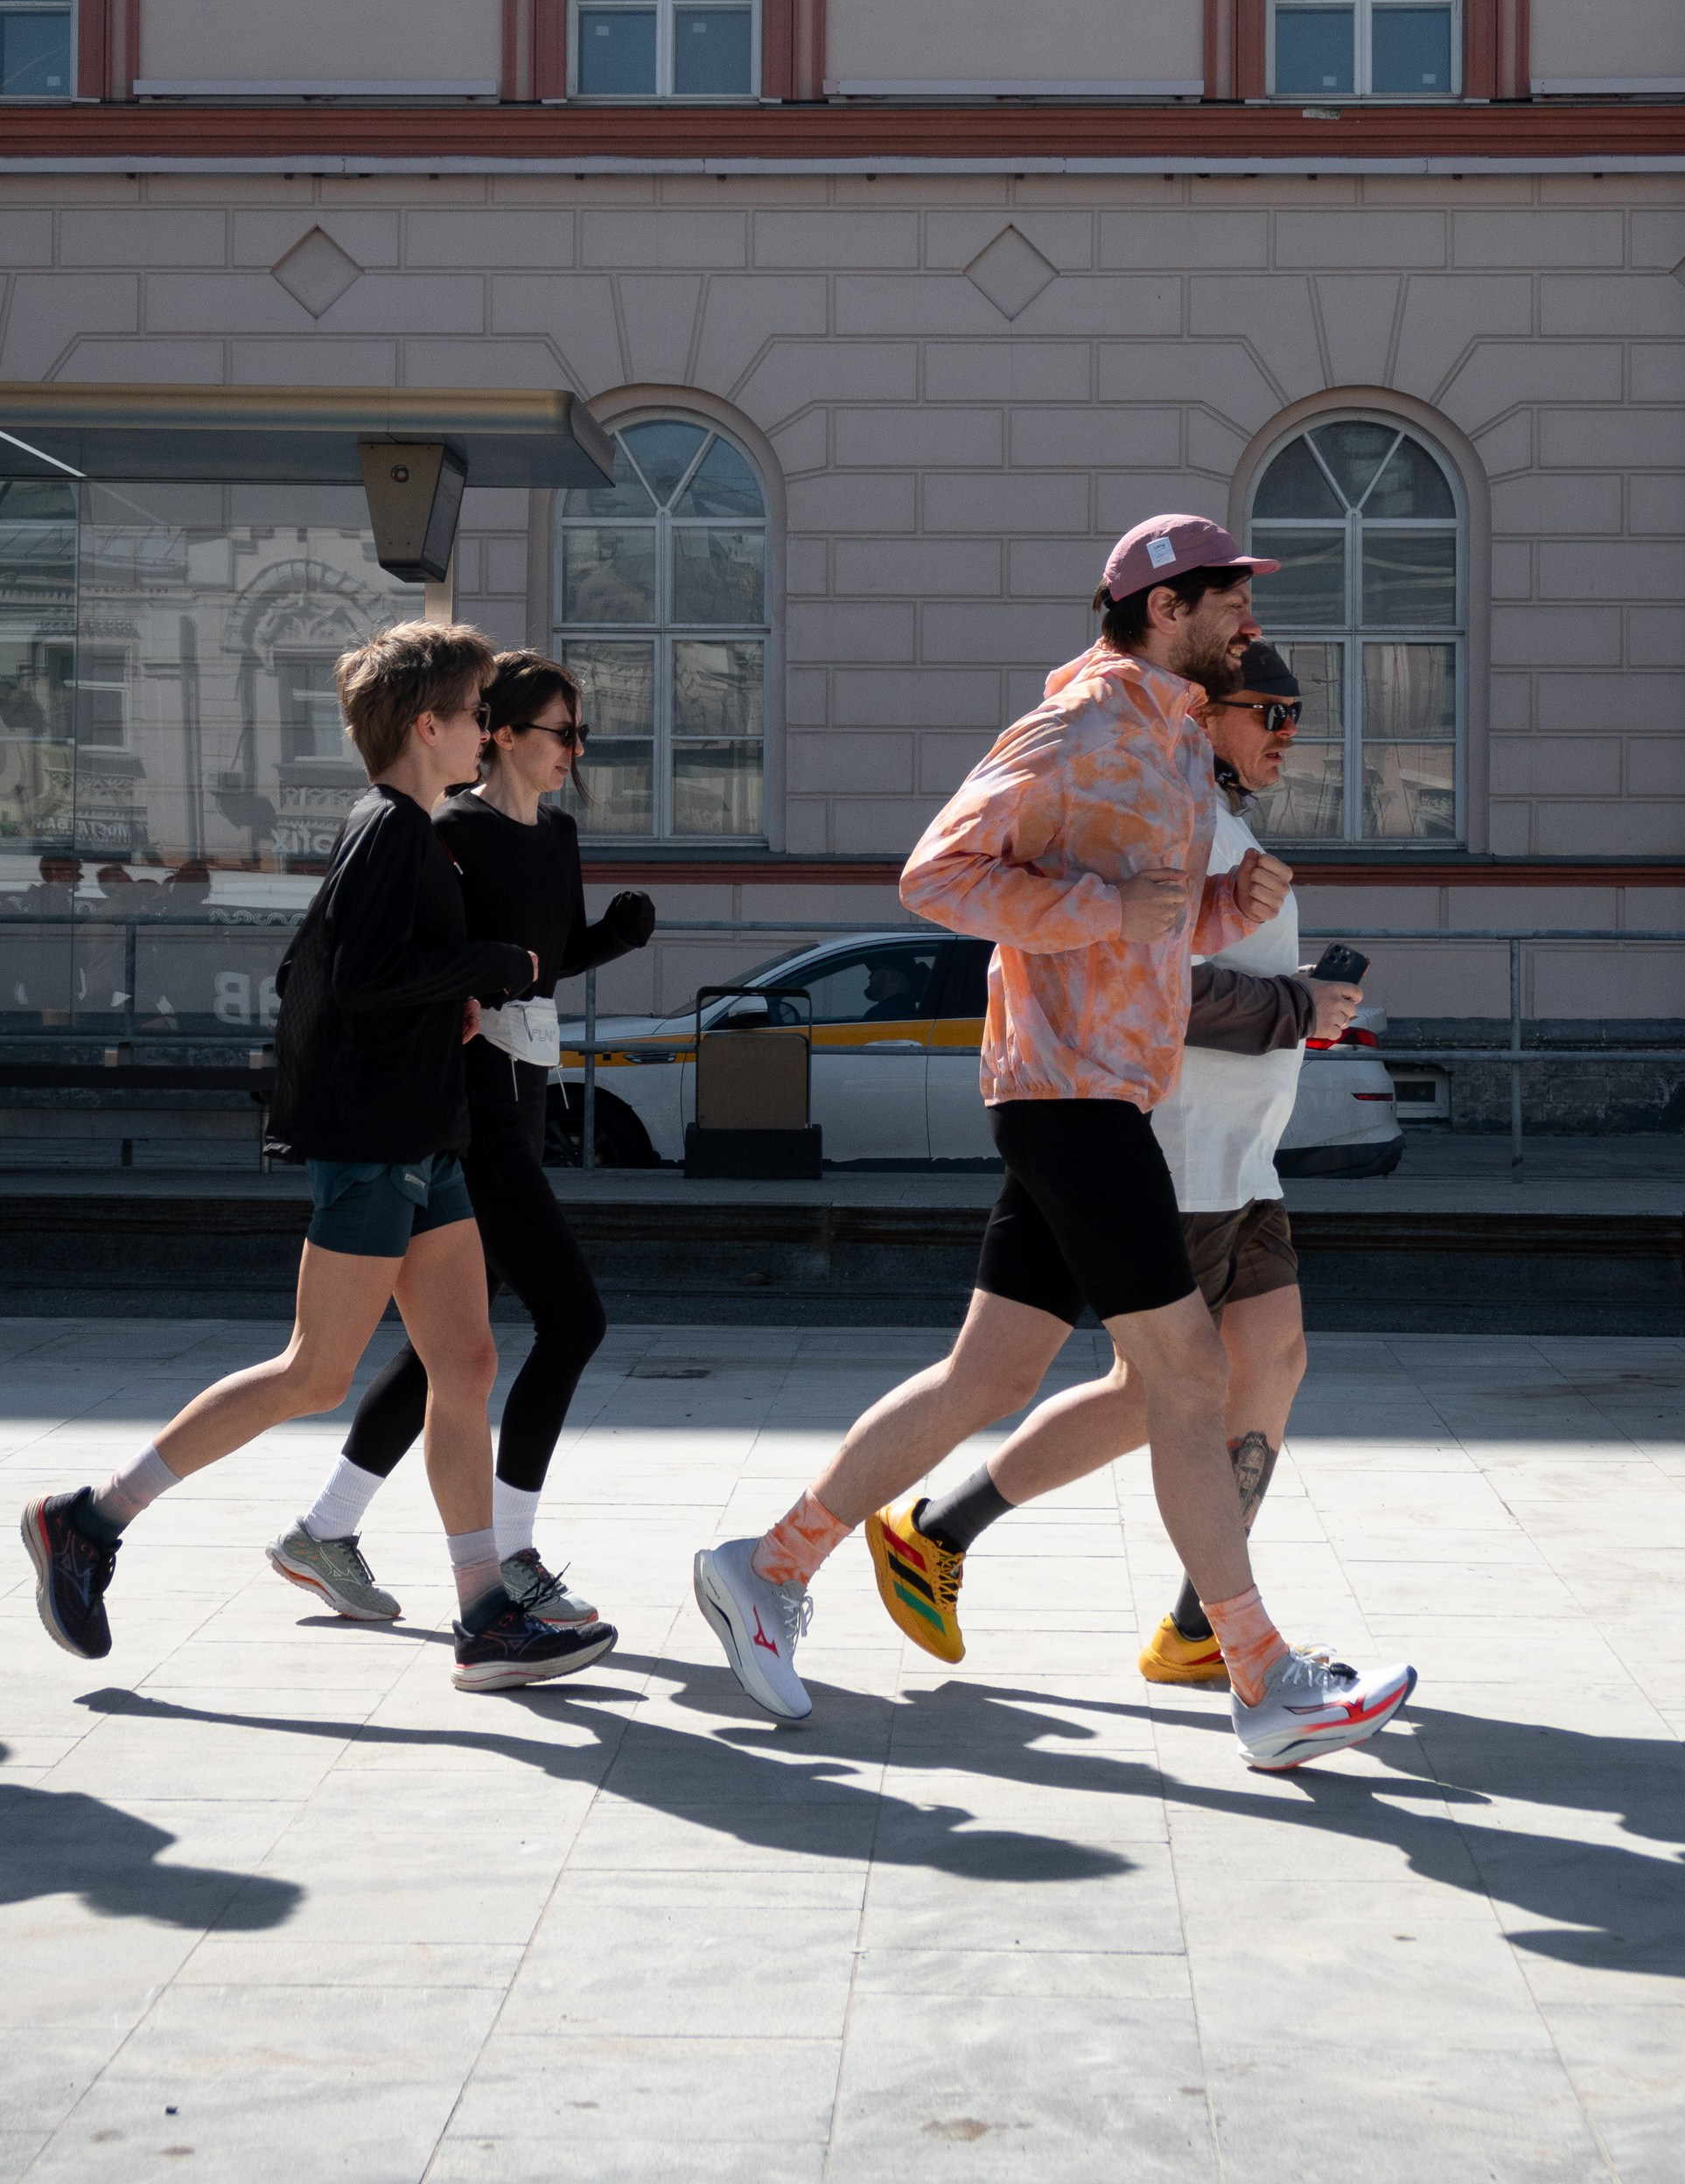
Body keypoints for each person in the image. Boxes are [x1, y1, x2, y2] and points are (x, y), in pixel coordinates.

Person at [692, 516, 1416, 1770]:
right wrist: (1109, 905)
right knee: (1186, 1377)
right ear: (1164, 606)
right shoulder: (1077, 725)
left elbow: (1146, 929)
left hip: (1099, 1092)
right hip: (1064, 1091)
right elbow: (935, 876)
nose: (1248, 620)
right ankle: (1260, 1676)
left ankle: (770, 1564)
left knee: (987, 1380)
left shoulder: (1173, 739)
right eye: (1231, 599)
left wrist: (1210, 907)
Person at [19, 619, 619, 1694]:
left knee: (466, 1365)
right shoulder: (388, 828)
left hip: (429, 1138)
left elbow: (383, 971)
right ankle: (89, 1519)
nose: (484, 730)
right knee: (314, 1371)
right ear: (427, 726)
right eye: (475, 714)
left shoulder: (412, 828)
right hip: (375, 1145)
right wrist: (484, 964)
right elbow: (361, 979)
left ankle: (485, 1611)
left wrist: (457, 997)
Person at [868, 640, 1363, 1694]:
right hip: (1167, 1145)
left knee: (1269, 1359)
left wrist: (1293, 994)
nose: (1288, 734)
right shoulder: (1166, 809)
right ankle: (938, 1530)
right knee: (1152, 1388)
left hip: (1240, 1151)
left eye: (1295, 715)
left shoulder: (1218, 820)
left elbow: (1194, 961)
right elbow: (1145, 982)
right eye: (1268, 711)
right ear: (1202, 710)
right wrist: (1293, 1006)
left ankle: (1192, 1623)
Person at [269, 650, 654, 1629]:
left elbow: (541, 960)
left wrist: (612, 938)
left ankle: (327, 1527)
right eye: (561, 731)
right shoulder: (445, 829)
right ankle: (510, 1561)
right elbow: (423, 964)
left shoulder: (555, 834)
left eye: (581, 733)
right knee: (570, 1320)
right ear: (503, 734)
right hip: (465, 1110)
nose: (576, 750)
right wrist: (478, 981)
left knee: (457, 1347)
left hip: (522, 1097)